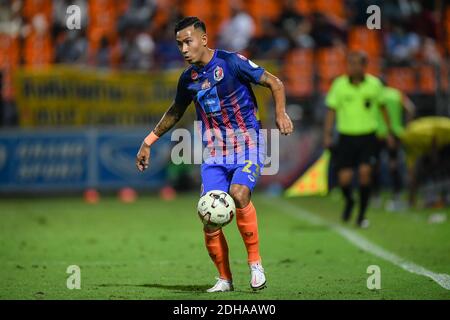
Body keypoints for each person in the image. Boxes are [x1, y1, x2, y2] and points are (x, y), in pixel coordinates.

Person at [135, 17, 293, 292]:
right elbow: (175, 111)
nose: (183, 49)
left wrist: (280, 113)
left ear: (204, 39)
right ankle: (224, 279)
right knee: (208, 215)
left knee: (240, 194)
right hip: (215, 154)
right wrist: (148, 141)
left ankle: (255, 264)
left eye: (188, 42)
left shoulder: (231, 62)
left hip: (248, 145)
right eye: (179, 44)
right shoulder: (188, 79)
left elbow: (275, 83)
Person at [323, 51, 394, 228]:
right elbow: (331, 111)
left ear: (364, 65)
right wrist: (328, 134)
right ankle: (349, 202)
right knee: (344, 179)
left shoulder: (374, 85)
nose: (353, 67)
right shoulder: (339, 85)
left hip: (368, 137)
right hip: (346, 137)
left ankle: (361, 215)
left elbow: (383, 108)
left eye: (356, 64)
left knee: (364, 174)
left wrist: (389, 132)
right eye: (350, 63)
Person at [372, 85, 415, 211]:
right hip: (396, 133)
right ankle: (396, 197)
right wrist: (406, 126)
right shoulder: (397, 93)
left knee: (375, 165)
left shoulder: (375, 94)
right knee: (394, 165)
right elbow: (411, 109)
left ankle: (376, 198)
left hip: (378, 133)